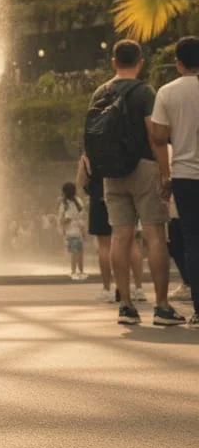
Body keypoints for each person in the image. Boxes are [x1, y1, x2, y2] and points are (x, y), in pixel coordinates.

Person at [87, 40, 184, 326]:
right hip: (143, 167)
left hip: (112, 172)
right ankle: (162, 306)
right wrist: (165, 173)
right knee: (155, 235)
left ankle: (126, 306)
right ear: (140, 62)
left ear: (114, 62)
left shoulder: (99, 93)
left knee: (120, 236)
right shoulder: (144, 92)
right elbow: (155, 137)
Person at [149, 35, 199, 328]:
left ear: (178, 63)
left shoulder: (167, 92)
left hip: (184, 175)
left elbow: (158, 137)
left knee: (193, 241)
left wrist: (165, 174)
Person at [77, 153, 145, 302]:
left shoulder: (91, 152)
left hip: (100, 199)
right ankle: (138, 288)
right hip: (125, 195)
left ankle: (107, 289)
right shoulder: (124, 145)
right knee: (131, 242)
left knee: (104, 245)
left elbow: (82, 180)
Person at [58, 182, 87, 280]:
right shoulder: (76, 201)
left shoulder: (66, 203)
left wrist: (65, 223)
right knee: (78, 252)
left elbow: (61, 219)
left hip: (73, 230)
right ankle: (78, 271)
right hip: (74, 231)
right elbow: (82, 215)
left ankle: (76, 272)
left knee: (76, 253)